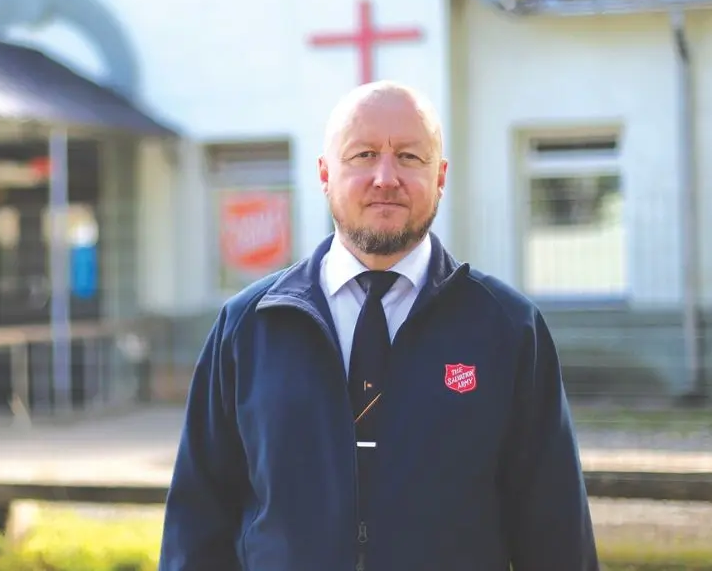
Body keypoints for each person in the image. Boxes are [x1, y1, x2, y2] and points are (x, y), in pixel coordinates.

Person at [158, 81, 599, 571]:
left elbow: (556, 530)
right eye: (364, 154)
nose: (386, 177)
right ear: (325, 173)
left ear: (441, 176)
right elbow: (197, 523)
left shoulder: (508, 329)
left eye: (410, 157)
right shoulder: (248, 327)